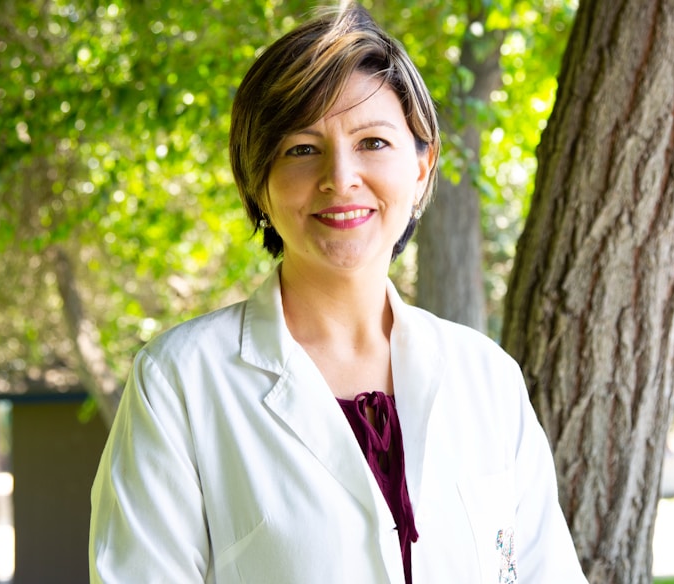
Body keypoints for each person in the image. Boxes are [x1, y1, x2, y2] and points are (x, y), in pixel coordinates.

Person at [89, 4, 587, 583]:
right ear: (258, 182)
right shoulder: (179, 382)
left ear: (422, 168)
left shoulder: (488, 378)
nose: (341, 177)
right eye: (302, 149)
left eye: (373, 142)